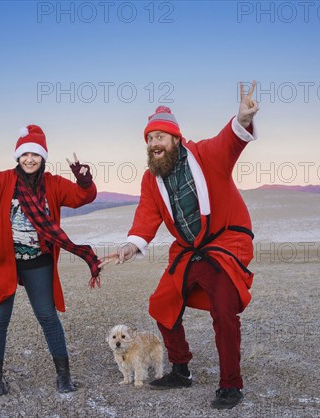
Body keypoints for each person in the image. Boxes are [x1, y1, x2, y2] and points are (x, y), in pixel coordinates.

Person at [102, 82, 259, 410]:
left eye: (159, 136)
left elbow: (228, 142)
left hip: (224, 243)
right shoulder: (151, 179)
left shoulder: (204, 155)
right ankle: (181, 369)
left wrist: (241, 120)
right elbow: (146, 216)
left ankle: (231, 384)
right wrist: (132, 245)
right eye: (149, 139)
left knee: (224, 311)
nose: (153, 143)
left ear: (175, 138)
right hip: (189, 250)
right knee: (162, 303)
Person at [0, 124, 102, 396]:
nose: (30, 159)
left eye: (35, 154)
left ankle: (63, 376)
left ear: (43, 157)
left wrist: (84, 180)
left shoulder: (54, 184)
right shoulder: (1, 181)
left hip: (39, 261)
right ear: (18, 156)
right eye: (25, 154)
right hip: (3, 260)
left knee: (47, 316)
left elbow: (83, 196)